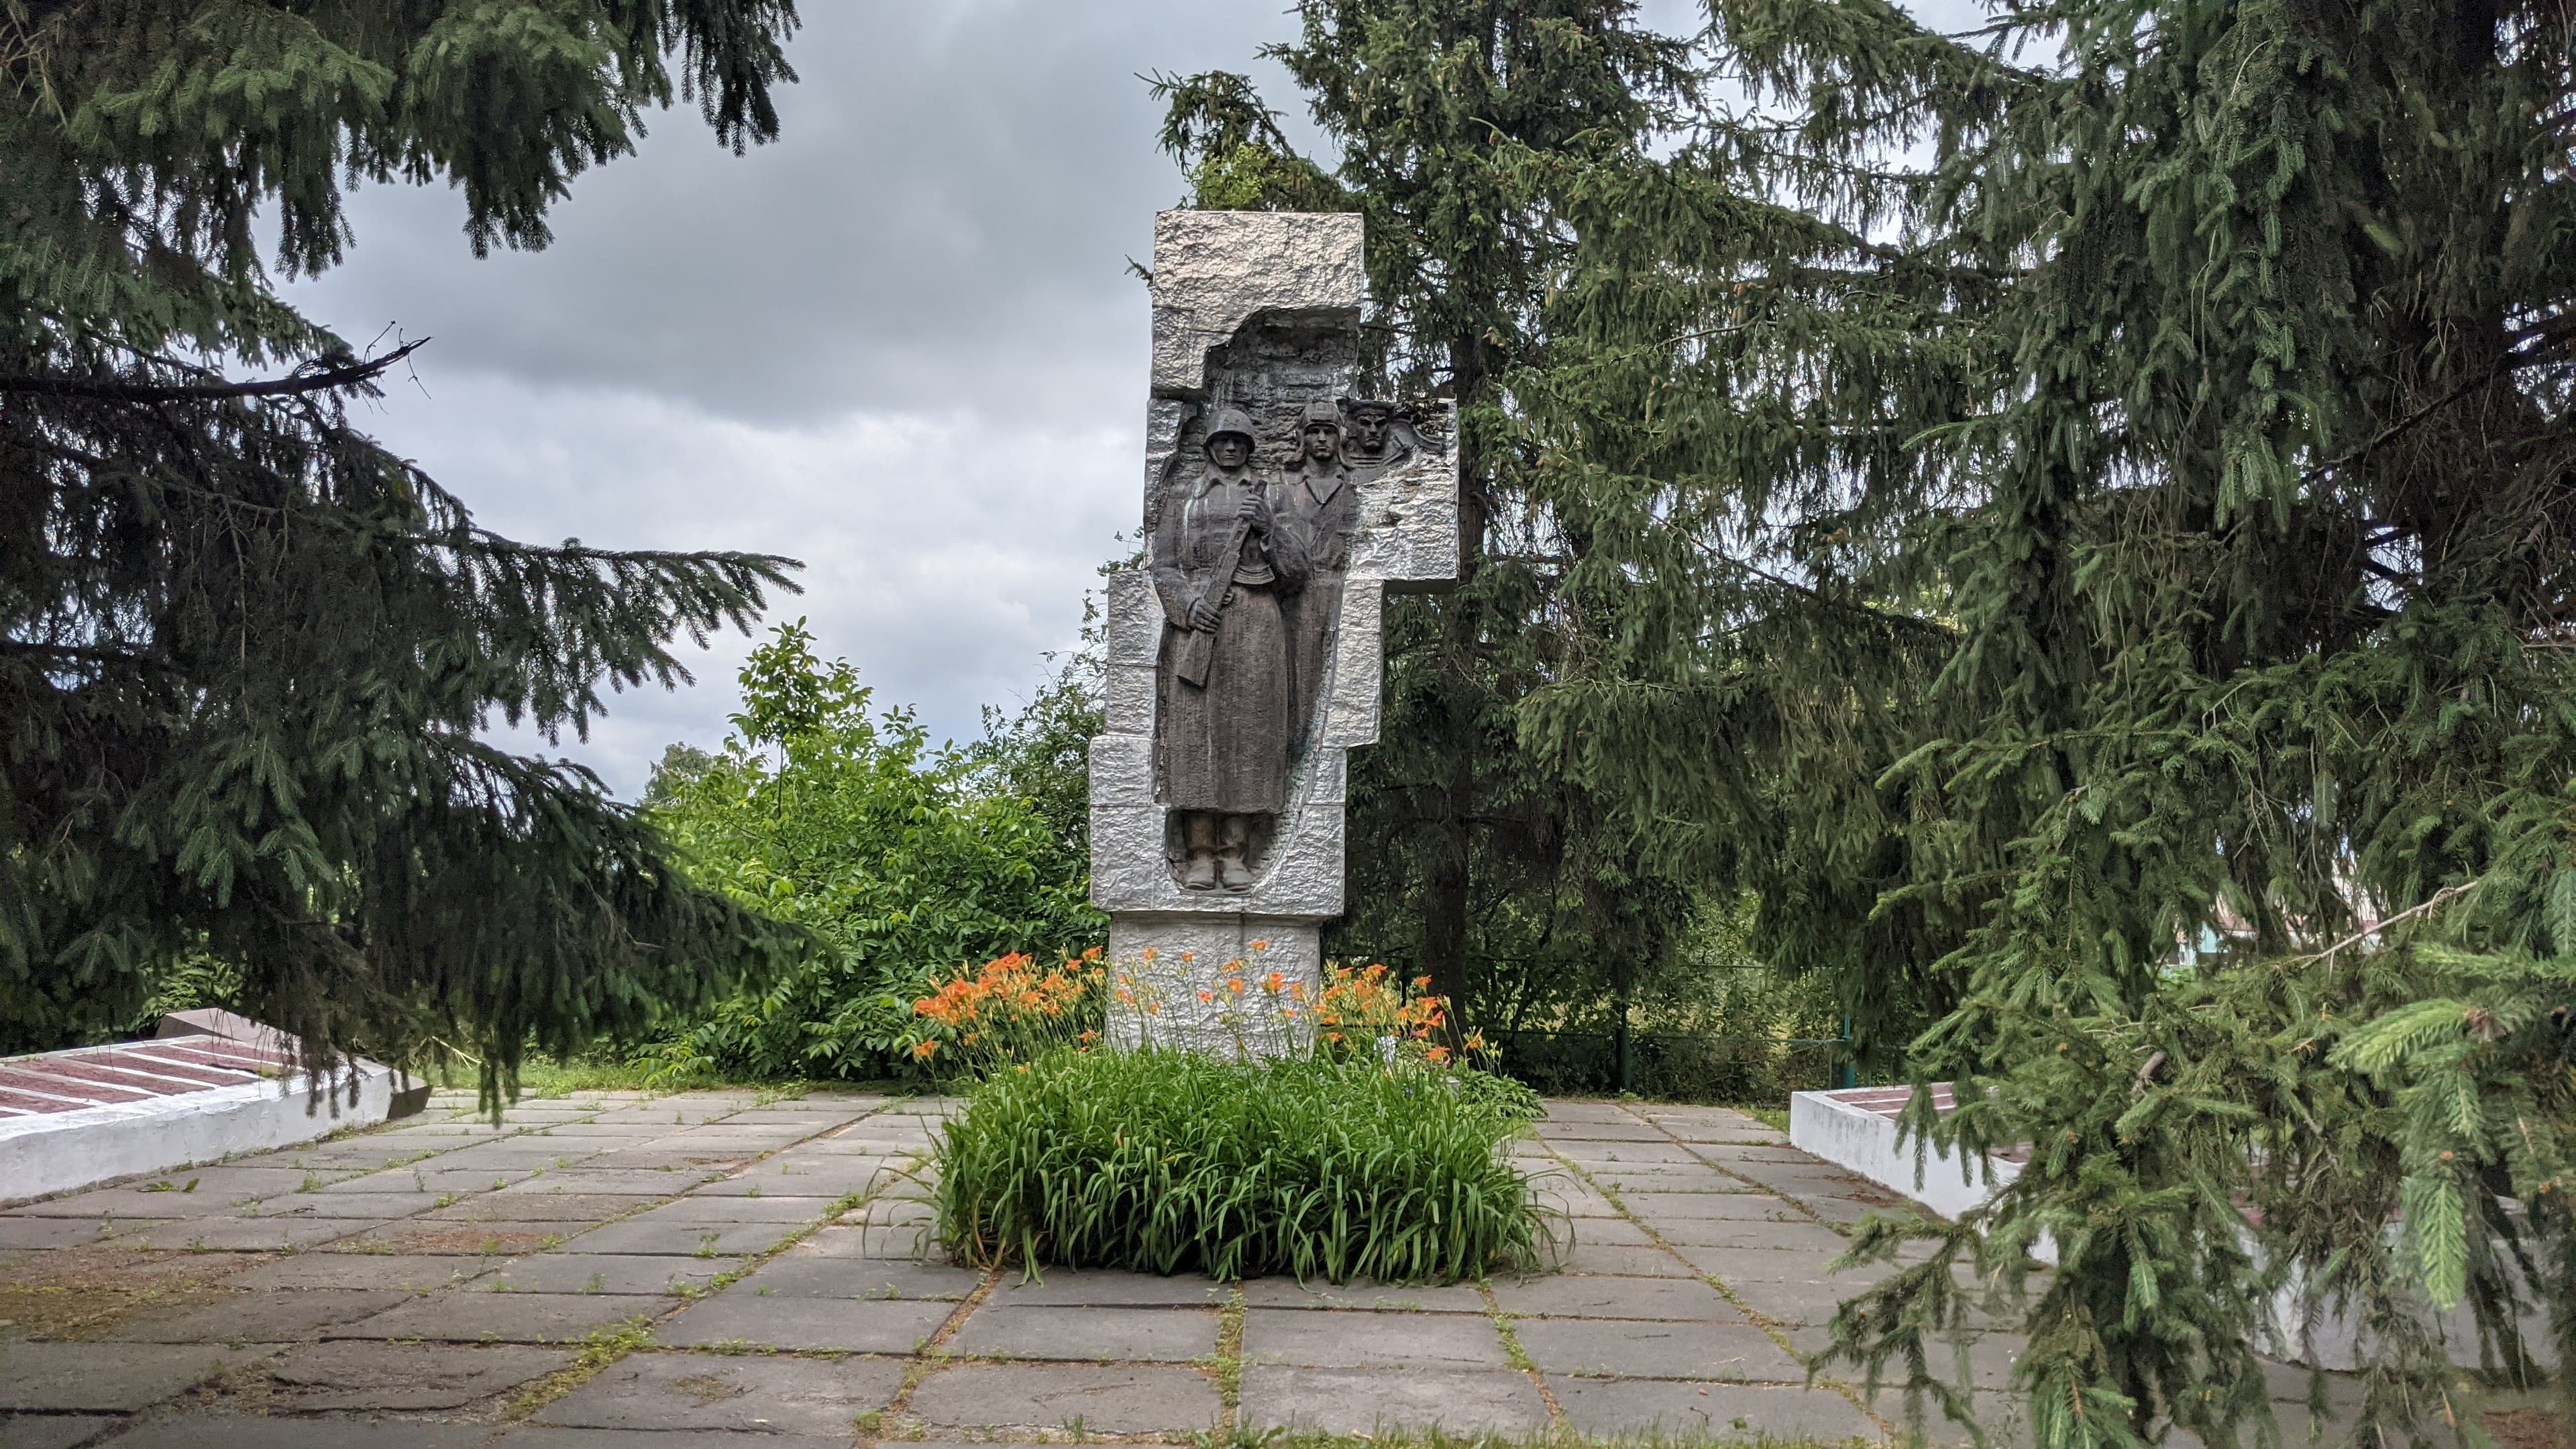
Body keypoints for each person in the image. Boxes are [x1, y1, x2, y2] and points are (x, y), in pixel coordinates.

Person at [1152, 407, 1309, 890]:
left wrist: (1270, 528)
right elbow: (1164, 566)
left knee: (1250, 737)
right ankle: (1199, 852)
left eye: (1239, 441)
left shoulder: (1273, 497)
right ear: (1210, 447)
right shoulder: (1185, 497)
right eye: (1223, 440)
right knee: (1194, 736)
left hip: (1257, 622)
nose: (1231, 448)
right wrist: (1188, 605)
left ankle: (1236, 852)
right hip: (1202, 623)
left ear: (1249, 448)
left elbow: (1299, 570)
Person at [1279, 400, 1356, 751]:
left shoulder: (1355, 484)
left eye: (1330, 431)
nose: (1323, 439)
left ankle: (1305, 741)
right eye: (1314, 432)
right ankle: (1291, 738)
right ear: (1301, 437)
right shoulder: (1283, 484)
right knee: (1293, 670)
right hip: (1295, 592)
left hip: (1341, 590)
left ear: (1341, 437)